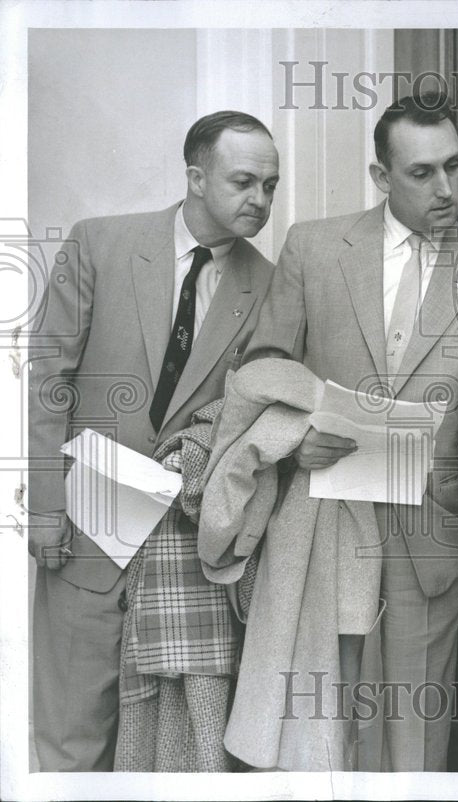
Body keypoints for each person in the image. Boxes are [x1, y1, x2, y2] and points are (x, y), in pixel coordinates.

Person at [243, 92, 458, 771]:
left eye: (456, 167)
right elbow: (263, 367)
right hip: (322, 517)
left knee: (413, 736)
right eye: (422, 173)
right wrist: (293, 440)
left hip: (429, 528)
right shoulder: (312, 248)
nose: (447, 188)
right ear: (381, 177)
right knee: (314, 726)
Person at [27, 110, 279, 770]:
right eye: (245, 182)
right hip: (84, 532)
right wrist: (47, 505)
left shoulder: (272, 285)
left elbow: (255, 405)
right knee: (67, 740)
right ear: (196, 178)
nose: (261, 200)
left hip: (184, 552)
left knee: (163, 753)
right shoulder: (97, 244)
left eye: (271, 186)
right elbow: (49, 377)